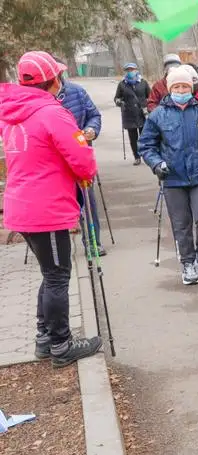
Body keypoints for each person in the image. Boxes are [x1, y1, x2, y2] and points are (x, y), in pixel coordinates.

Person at [0, 51, 103, 367]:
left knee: (50, 273)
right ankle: (61, 344)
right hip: (46, 208)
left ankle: (45, 338)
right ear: (55, 80)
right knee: (58, 276)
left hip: (22, 205)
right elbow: (80, 156)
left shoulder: (12, 111)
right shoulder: (52, 113)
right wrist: (86, 174)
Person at [138, 66, 198, 286]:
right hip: (173, 178)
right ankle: (188, 262)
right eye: (176, 86)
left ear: (192, 88)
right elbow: (146, 145)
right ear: (169, 89)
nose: (180, 90)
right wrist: (157, 163)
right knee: (181, 223)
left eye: (185, 86)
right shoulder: (158, 114)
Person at [56, 68, 106, 256]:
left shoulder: (76, 91)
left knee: (86, 200)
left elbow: (94, 115)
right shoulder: (40, 98)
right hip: (55, 161)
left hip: (80, 156)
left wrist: (91, 129)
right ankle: (58, 250)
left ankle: (93, 242)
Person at [114, 62, 151, 166]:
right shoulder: (122, 84)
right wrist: (119, 102)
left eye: (132, 70)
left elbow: (150, 97)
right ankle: (137, 157)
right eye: (128, 70)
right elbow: (117, 98)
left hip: (142, 114)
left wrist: (148, 107)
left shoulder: (143, 82)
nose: (130, 72)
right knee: (133, 138)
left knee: (145, 137)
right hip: (129, 114)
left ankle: (147, 156)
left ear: (136, 70)